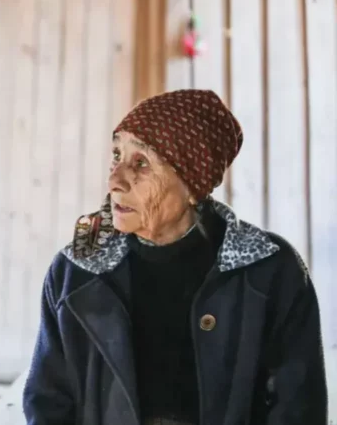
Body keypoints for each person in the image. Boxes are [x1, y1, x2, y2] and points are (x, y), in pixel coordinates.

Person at [22, 89, 327, 425]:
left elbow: (299, 410)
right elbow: (48, 405)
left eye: (141, 163)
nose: (114, 181)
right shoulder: (74, 270)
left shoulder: (270, 271)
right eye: (116, 155)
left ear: (193, 184)